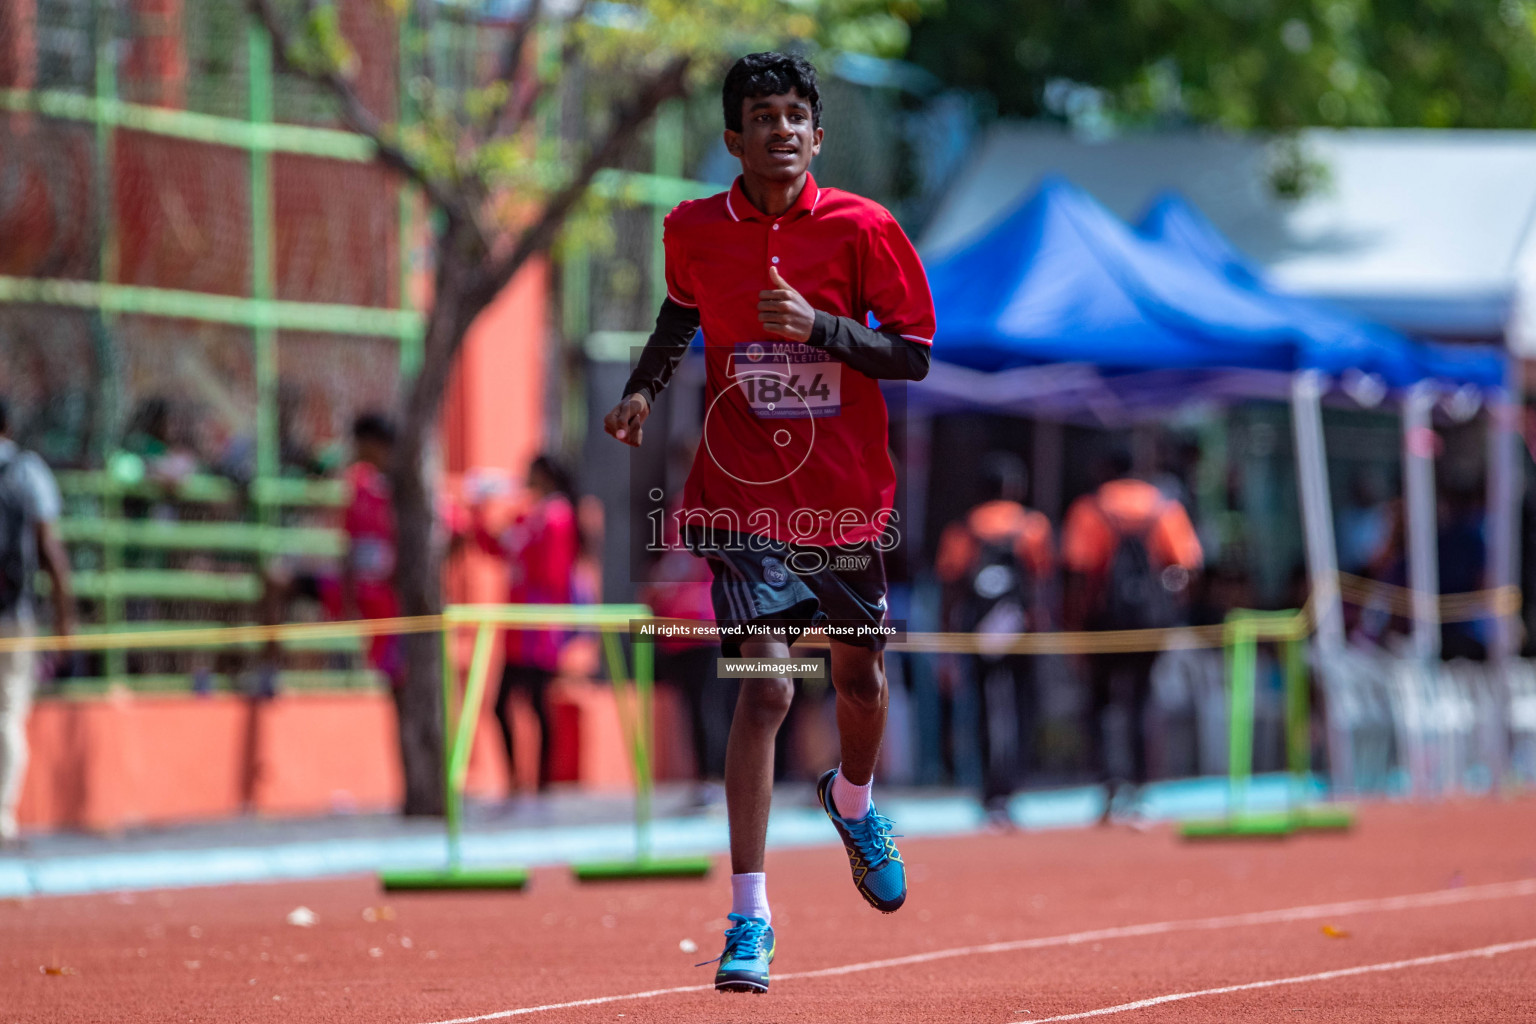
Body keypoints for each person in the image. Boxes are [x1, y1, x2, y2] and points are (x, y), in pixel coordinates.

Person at [603, 52, 935, 994]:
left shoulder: (865, 229)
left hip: (843, 505)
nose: (781, 129)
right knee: (766, 692)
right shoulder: (694, 230)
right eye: (762, 115)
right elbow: (679, 313)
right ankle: (748, 918)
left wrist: (820, 328)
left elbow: (911, 356)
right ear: (733, 139)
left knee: (861, 679)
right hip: (743, 507)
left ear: (817, 135)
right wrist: (640, 391)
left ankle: (853, 798)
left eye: (796, 115)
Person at [1062, 450, 1202, 821]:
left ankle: (1110, 786)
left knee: (1103, 705)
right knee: (1142, 701)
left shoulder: (1090, 508)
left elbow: (1079, 571)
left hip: (1103, 621)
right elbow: (1187, 566)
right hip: (1150, 622)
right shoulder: (1164, 506)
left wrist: (1075, 626)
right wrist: (1171, 611)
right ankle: (1141, 789)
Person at [935, 452, 1054, 825]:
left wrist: (948, 644)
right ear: (1015, 488)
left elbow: (950, 590)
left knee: (984, 710)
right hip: (1022, 632)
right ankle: (1013, 783)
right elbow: (1042, 582)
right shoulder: (1033, 526)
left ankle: (990, 792)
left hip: (977, 634)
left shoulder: (963, 529)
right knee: (1020, 706)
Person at [473, 455, 580, 798]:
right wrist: (481, 509)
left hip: (540, 629)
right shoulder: (529, 515)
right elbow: (494, 547)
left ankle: (543, 785)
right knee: (501, 704)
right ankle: (517, 782)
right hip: (518, 630)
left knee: (537, 704)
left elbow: (551, 573)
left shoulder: (557, 515)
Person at [0, 397, 74, 849]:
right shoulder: (27, 472)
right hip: (13, 615)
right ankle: (2, 814)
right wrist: (67, 619)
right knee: (8, 713)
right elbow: (50, 547)